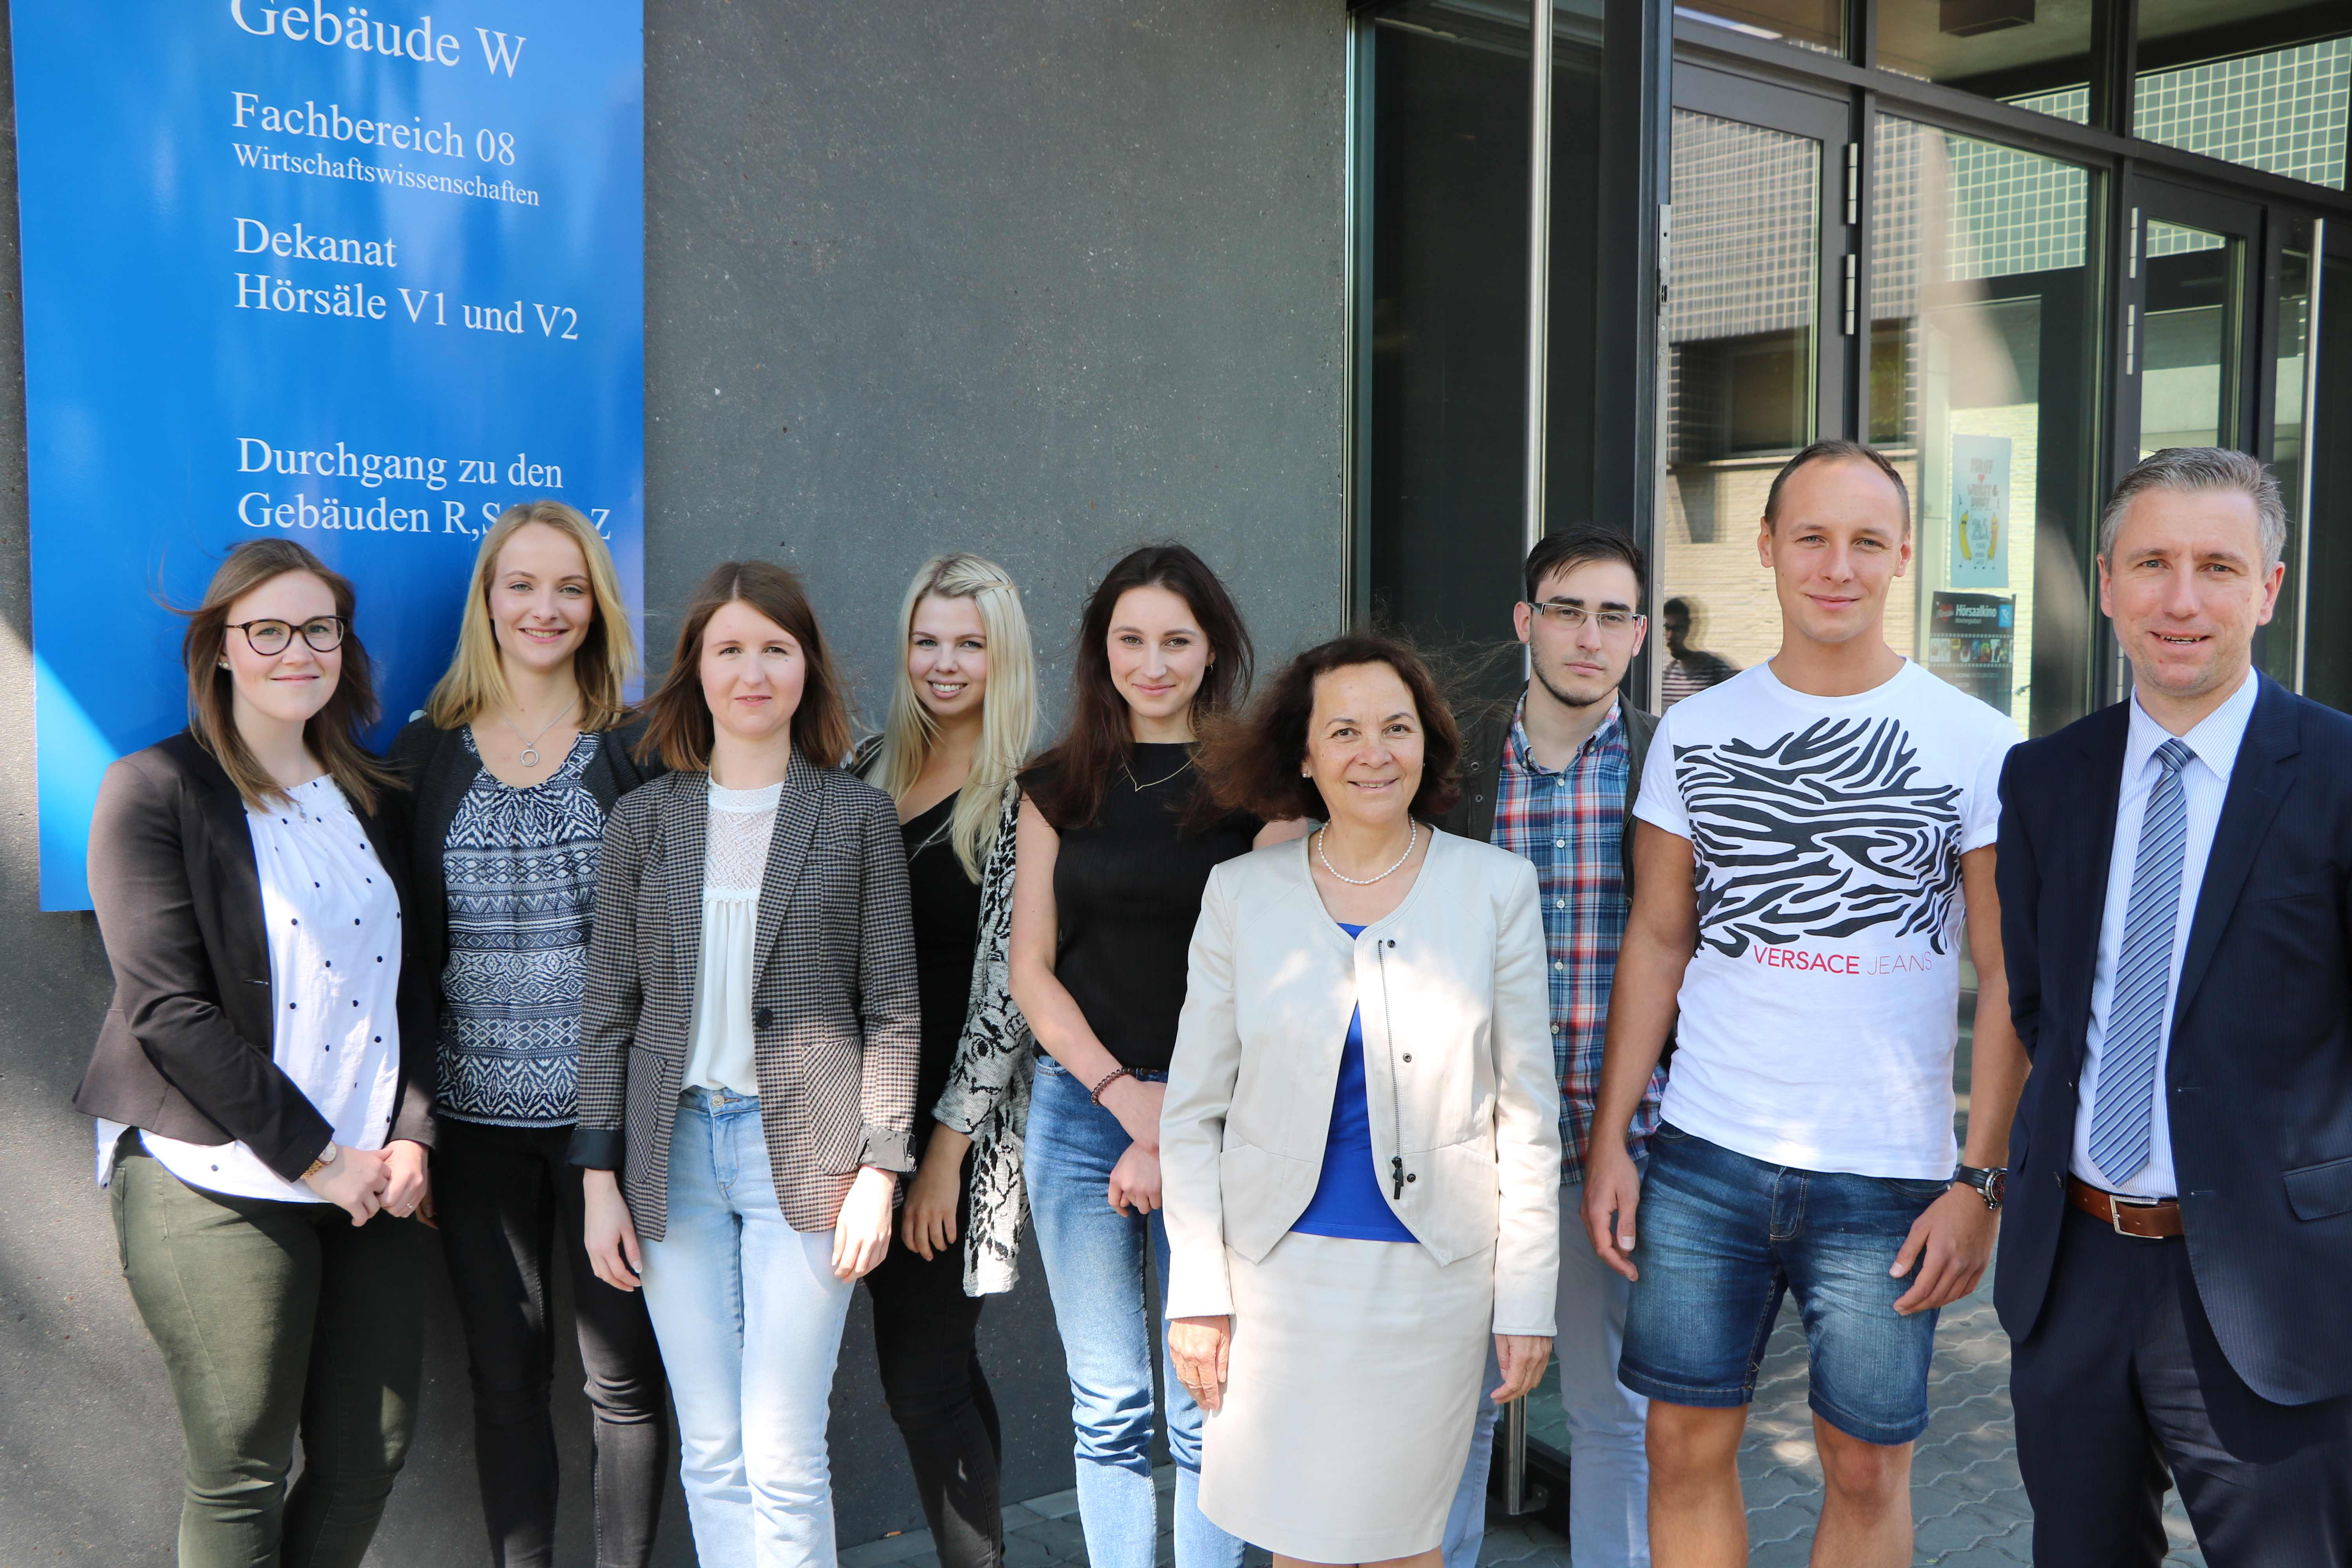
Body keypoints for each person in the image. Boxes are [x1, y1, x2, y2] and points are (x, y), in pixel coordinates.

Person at [1582, 440, 2029, 1568]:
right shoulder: (1695, 730)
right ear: (1768, 547)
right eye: (1813, 538)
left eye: (1866, 541)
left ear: (1903, 556)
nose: (1838, 566)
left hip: (1888, 1173)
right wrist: (1612, 1138)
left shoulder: (1978, 744)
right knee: (1681, 1446)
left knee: (1869, 1465)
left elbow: (2007, 976)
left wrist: (1981, 1181)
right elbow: (1659, 938)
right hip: (1704, 1156)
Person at [1996, 448, 2352, 1564]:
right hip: (2075, 1270)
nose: (2181, 599)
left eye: (2217, 566)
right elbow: (2042, 1009)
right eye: (2151, 563)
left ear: (2269, 589)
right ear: (2107, 584)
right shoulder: (2045, 777)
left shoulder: (2340, 773)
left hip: (2272, 1288)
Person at [1163, 633, 1561, 1568]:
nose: (1373, 753)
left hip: (1430, 1286)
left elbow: (1527, 1117)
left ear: (1428, 743)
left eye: (1396, 727)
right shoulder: (1240, 894)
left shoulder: (1496, 888)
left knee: (1402, 1550)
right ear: (1304, 755)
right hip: (1274, 1282)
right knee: (1297, 1548)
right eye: (1343, 731)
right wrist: (1198, 1293)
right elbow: (1190, 1113)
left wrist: (1527, 1298)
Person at [77, 538, 435, 1566]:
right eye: (268, 630)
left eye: (319, 628)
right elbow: (167, 1010)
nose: (297, 651)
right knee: (242, 1466)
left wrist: (413, 1136)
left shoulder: (376, 793)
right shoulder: (155, 789)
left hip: (374, 1175)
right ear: (222, 648)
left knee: (369, 1455)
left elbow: (413, 980)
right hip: (216, 1171)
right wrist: (320, 1158)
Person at [574, 561, 920, 1568]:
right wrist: (599, 1180)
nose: (753, 672)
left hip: (807, 1158)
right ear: (697, 669)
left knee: (781, 1449)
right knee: (715, 1448)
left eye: (775, 648)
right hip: (672, 1155)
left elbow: (893, 1003)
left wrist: (881, 1168)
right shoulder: (645, 820)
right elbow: (610, 1006)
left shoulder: (855, 816)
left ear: (807, 667)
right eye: (730, 649)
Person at [391, 501, 670, 1568]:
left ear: (597, 604)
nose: (544, 608)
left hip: (611, 1129)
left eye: (569, 587)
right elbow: (406, 956)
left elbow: (669, 954)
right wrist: (414, 1122)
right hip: (472, 1131)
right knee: (504, 1381)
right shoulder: (426, 753)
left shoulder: (638, 748)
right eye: (522, 585)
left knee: (623, 1383)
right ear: (488, 601)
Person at [1000, 543, 1278, 1568]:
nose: (1151, 664)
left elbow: (1261, 980)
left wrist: (1173, 1120)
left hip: (1221, 1115)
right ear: (1100, 650)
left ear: (1213, 651)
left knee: (1208, 1394)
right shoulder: (1055, 785)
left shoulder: (1263, 791)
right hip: (1081, 1111)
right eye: (1130, 640)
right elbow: (1031, 970)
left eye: (1176, 640)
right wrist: (1126, 1100)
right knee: (1108, 1403)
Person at [1436, 528, 1662, 1568]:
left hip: (1622, 1147)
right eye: (1567, 611)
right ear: (1527, 621)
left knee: (1615, 1411)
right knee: (1456, 1405)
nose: (1589, 636)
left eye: (1614, 615)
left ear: (1640, 634)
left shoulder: (1672, 762)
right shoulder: (1456, 758)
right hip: (1471, 1144)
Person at [852, 554, 1039, 1568]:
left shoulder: (1026, 797)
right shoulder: (865, 765)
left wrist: (940, 1160)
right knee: (943, 1371)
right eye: (927, 640)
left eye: (970, 643)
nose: (945, 662)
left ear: (1004, 656)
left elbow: (1008, 998)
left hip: (952, 1131)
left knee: (923, 1380)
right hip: (855, 1116)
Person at [1657, 598, 1737, 709]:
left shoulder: (1717, 671)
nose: (1670, 636)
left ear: (1692, 630)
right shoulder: (1668, 673)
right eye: (1668, 629)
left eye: (1678, 629)